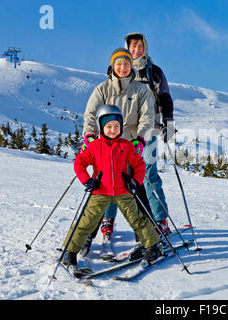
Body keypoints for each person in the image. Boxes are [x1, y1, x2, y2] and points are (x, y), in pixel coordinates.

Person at [62, 104, 160, 274]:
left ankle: (153, 247)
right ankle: (69, 253)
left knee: (138, 220)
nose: (113, 130)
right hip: (100, 191)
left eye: (116, 126)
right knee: (86, 223)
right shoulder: (94, 146)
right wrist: (87, 180)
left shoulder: (126, 146)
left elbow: (139, 165)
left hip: (123, 192)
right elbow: (79, 164)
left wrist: (135, 181)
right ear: (101, 127)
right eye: (108, 126)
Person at [79, 47, 157, 256]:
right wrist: (89, 136)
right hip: (104, 148)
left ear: (132, 66)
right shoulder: (102, 89)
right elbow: (90, 114)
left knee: (136, 191)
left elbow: (147, 117)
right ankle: (87, 234)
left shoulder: (141, 90)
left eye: (126, 63)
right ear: (112, 66)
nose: (122, 68)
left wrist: (141, 139)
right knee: (99, 193)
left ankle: (145, 236)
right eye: (119, 64)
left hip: (130, 146)